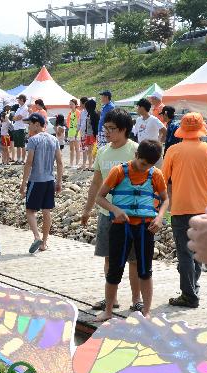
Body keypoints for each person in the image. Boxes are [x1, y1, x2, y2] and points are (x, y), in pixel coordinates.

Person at [94, 140, 169, 321]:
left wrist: (159, 218)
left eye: (150, 165)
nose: (145, 168)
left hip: (145, 229)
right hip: (121, 227)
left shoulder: (155, 175)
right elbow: (100, 197)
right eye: (143, 163)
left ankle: (147, 311)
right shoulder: (119, 172)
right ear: (136, 156)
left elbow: (166, 200)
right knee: (114, 270)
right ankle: (109, 311)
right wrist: (115, 210)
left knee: (145, 270)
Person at [160, 112, 207, 309]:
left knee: (184, 253)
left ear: (182, 129)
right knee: (197, 251)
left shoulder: (173, 150)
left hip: (180, 208)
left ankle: (189, 295)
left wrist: (158, 205)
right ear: (201, 128)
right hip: (204, 209)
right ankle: (193, 286)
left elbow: (162, 180)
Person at [81, 108, 143, 312]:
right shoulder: (103, 150)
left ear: (124, 129)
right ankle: (112, 298)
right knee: (109, 257)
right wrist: (87, 209)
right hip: (106, 213)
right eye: (105, 128)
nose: (107, 132)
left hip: (132, 216)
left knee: (133, 259)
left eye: (111, 128)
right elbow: (96, 182)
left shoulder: (136, 151)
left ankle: (136, 300)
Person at [20, 112, 63, 253]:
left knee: (30, 210)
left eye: (30, 124)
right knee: (46, 211)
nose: (28, 127)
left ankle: (36, 236)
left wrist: (23, 183)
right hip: (49, 180)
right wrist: (59, 181)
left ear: (37, 124)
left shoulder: (33, 140)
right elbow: (60, 162)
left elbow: (29, 163)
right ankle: (44, 243)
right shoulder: (53, 139)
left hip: (36, 180)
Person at [81, 98, 99, 170]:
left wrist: (95, 134)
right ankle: (90, 165)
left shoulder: (94, 114)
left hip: (92, 135)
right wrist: (85, 132)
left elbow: (95, 125)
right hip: (88, 134)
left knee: (92, 150)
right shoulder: (89, 113)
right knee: (89, 150)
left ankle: (92, 165)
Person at [12, 94, 30, 163]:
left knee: (22, 145)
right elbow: (14, 117)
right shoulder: (19, 108)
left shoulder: (25, 108)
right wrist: (15, 118)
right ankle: (18, 159)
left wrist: (15, 118)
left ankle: (23, 159)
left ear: (22, 100)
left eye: (18, 99)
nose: (18, 101)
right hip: (16, 127)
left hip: (22, 128)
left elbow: (18, 117)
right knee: (17, 145)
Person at [66, 100, 81, 168]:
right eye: (70, 104)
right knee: (71, 149)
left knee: (77, 148)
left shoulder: (78, 112)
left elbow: (79, 122)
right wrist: (69, 128)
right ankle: (71, 163)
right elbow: (67, 122)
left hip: (77, 132)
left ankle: (77, 163)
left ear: (75, 105)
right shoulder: (69, 113)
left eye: (72, 104)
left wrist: (77, 130)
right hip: (70, 132)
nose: (70, 105)